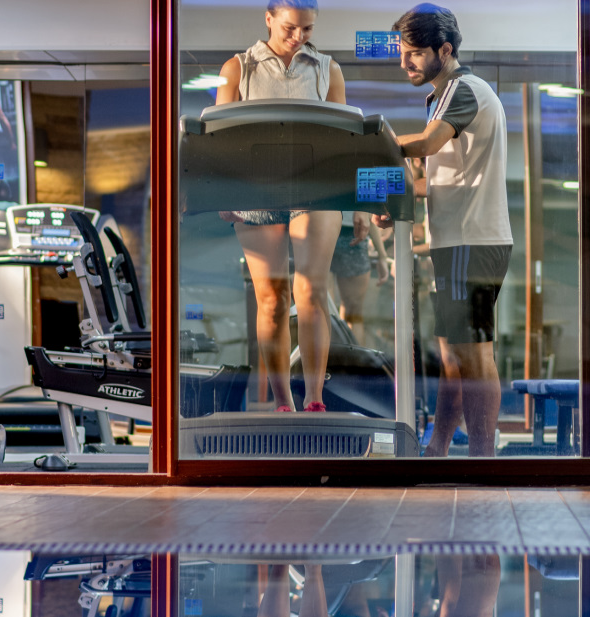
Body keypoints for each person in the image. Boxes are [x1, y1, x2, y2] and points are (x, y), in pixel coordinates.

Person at [380, 3, 513, 457]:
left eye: (415, 53)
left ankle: (482, 459)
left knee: (474, 355)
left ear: (445, 50)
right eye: (403, 53)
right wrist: (396, 197)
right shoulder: (441, 96)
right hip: (457, 240)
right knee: (453, 357)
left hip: (470, 241)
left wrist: (371, 146)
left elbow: (425, 144)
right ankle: (436, 449)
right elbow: (441, 178)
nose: (405, 63)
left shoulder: (462, 88)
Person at [216, 0, 354, 412]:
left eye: (307, 29)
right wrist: (224, 192)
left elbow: (344, 138)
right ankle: (282, 402)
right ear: (269, 19)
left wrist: (357, 202)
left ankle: (314, 399)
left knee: (310, 289)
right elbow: (220, 137)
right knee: (272, 298)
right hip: (256, 193)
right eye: (290, 27)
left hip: (316, 189)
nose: (298, 36)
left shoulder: (327, 69)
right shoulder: (239, 68)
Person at [331, 211, 390, 348]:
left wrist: (382, 255)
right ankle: (335, 358)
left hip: (354, 231)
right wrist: (382, 255)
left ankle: (350, 358)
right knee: (324, 309)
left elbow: (369, 214)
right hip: (321, 225)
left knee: (352, 312)